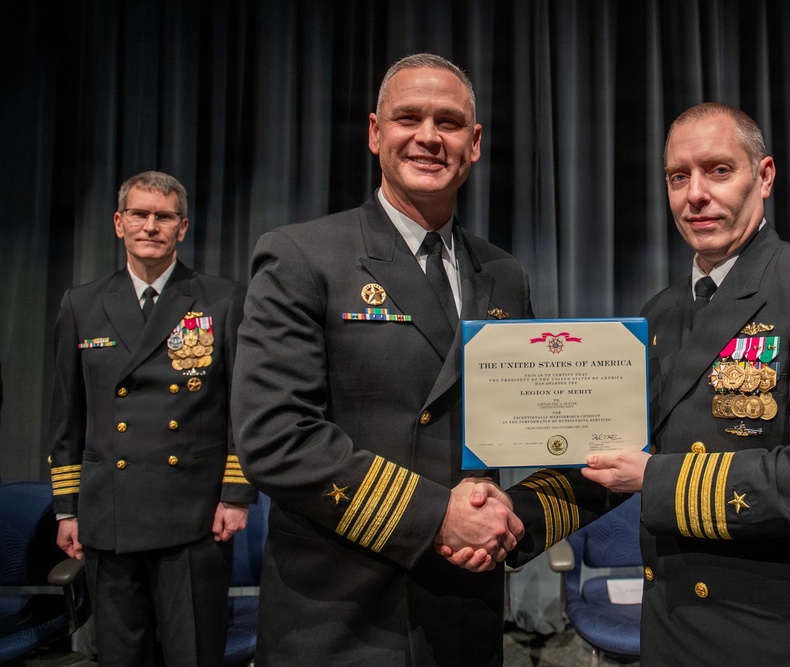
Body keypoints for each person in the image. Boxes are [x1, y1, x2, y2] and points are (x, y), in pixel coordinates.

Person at [232, 53, 596, 666]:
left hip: (464, 603)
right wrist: (434, 517)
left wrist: (514, 522)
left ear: (473, 144)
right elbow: (274, 436)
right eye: (409, 118)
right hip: (338, 615)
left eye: (448, 122)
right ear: (376, 133)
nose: (429, 137)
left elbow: (538, 423)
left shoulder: (503, 274)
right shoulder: (303, 256)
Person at [569, 103, 790, 664]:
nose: (695, 194)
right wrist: (512, 520)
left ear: (763, 176)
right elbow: (615, 454)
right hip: (670, 629)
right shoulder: (659, 313)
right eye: (678, 177)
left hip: (779, 638)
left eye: (718, 170)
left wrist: (656, 479)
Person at [48, 170, 255, 666]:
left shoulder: (222, 299)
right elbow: (67, 415)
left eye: (163, 217)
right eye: (139, 214)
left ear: (182, 228)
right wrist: (66, 509)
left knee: (193, 655)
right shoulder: (82, 304)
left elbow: (243, 407)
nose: (150, 226)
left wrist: (235, 494)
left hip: (194, 514)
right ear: (119, 223)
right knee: (120, 657)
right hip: (109, 515)